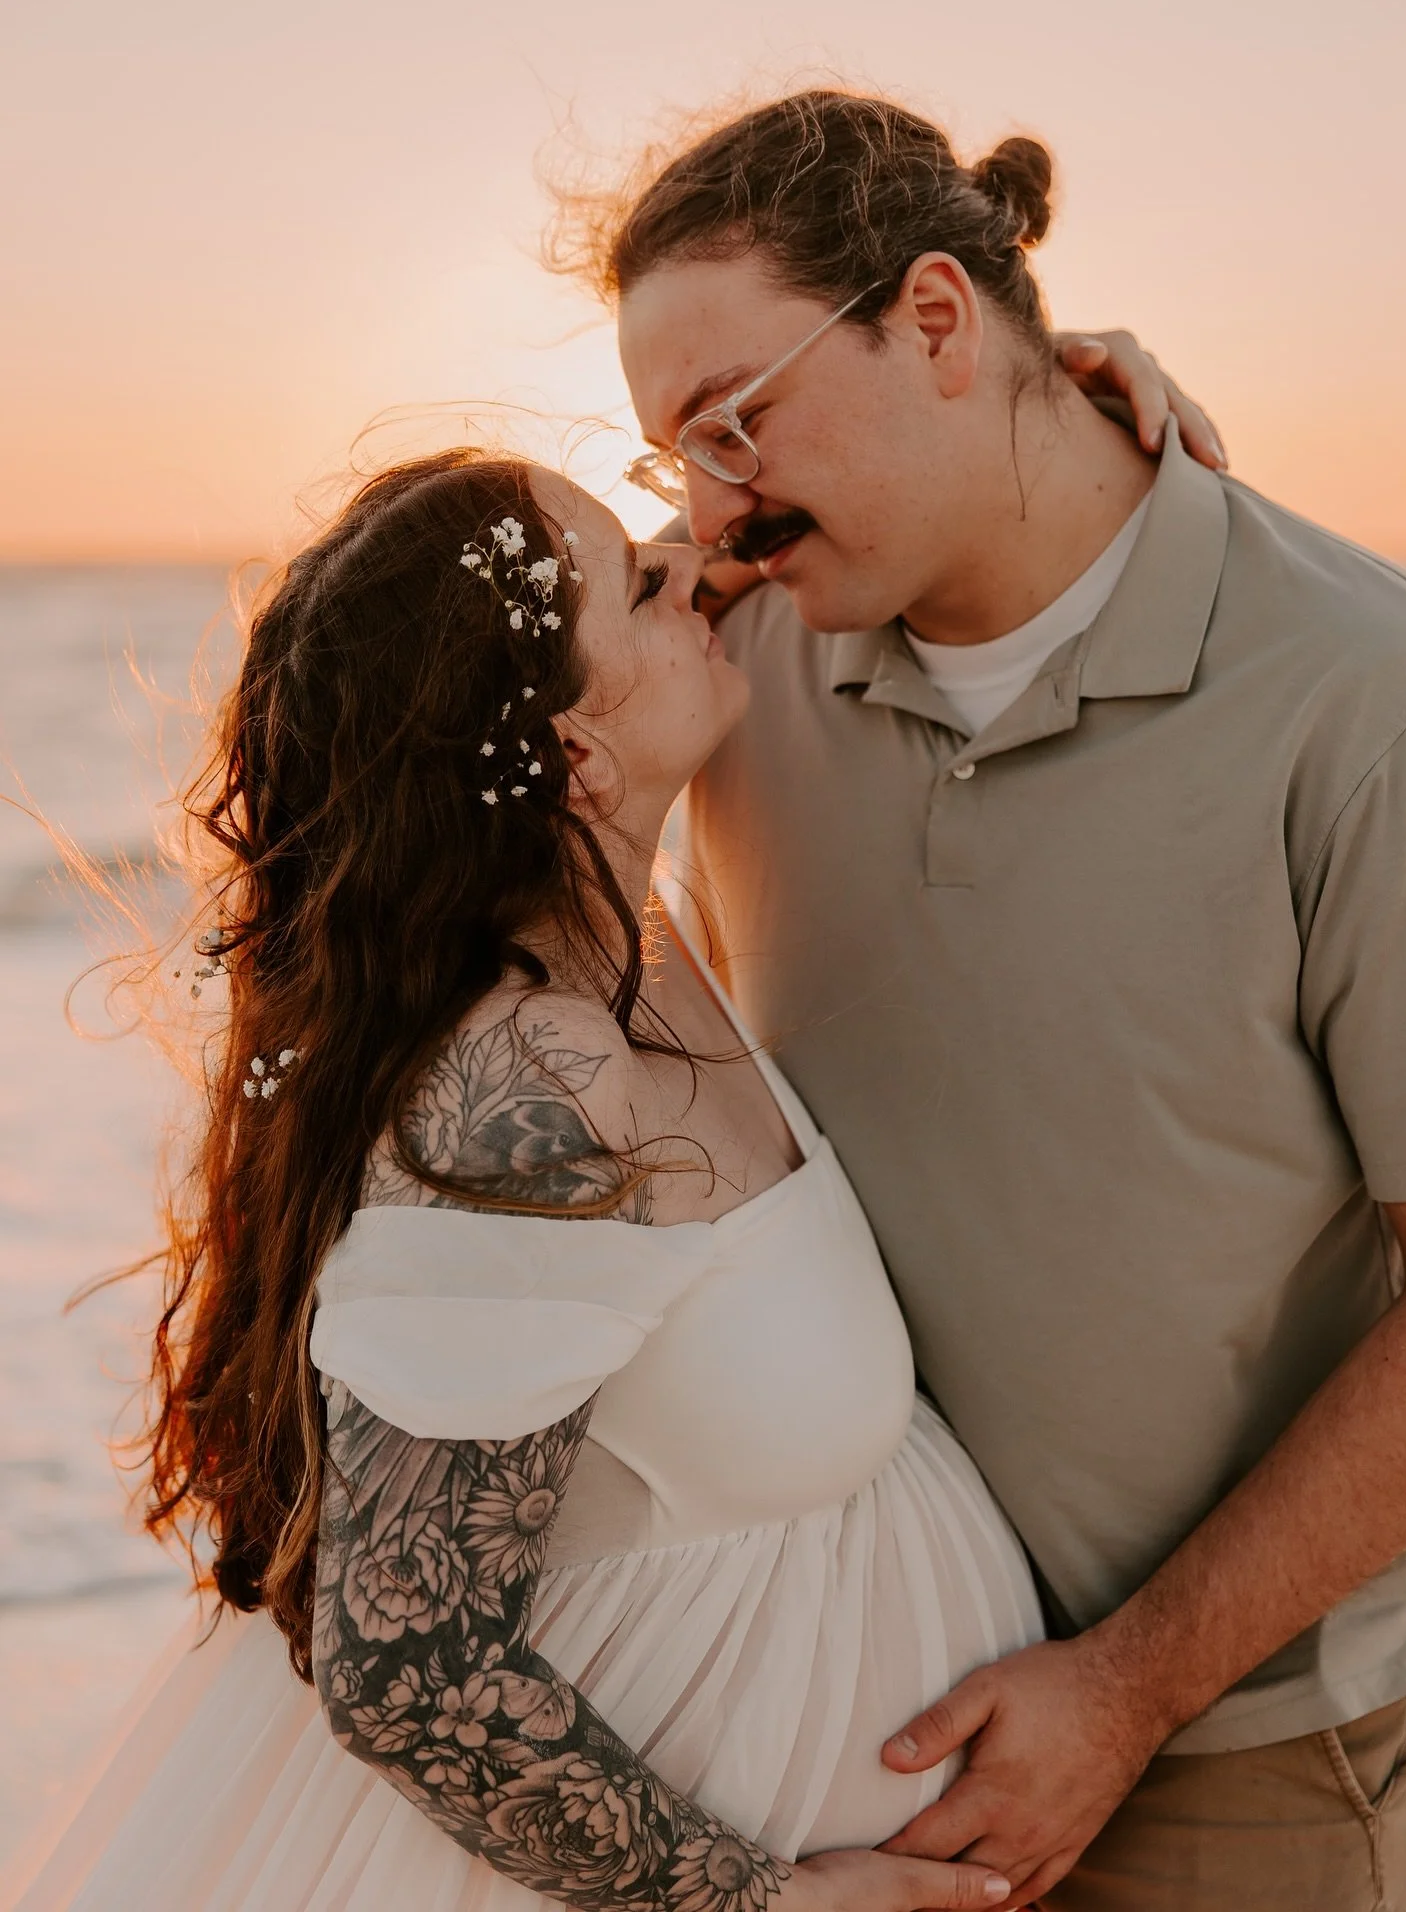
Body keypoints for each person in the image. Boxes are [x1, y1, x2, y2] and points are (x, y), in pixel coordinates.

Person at [5, 374, 1204, 1912]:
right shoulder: (537, 1089)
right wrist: (760, 1904)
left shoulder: (627, 942)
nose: (690, 574)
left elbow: (683, 572)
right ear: (570, 757)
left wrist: (1022, 398)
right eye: (645, 590)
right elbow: (403, 1656)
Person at [554, 87, 1406, 1911]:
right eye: (677, 460)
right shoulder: (728, 655)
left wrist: (1123, 1694)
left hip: (1234, 1756)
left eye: (741, 420)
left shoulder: (1372, 704)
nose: (718, 507)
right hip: (823, 1753)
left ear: (940, 322)